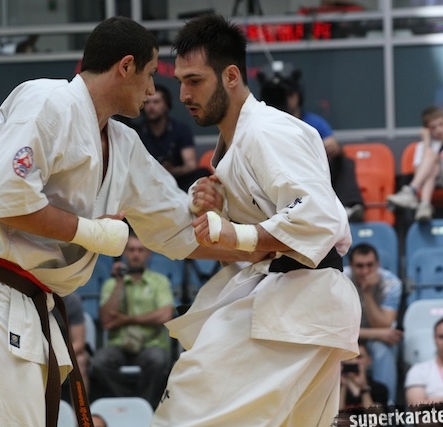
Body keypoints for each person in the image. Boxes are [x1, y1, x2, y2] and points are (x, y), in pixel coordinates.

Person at [0, 16, 255, 427]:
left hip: (30, 307)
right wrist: (92, 232)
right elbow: (4, 196)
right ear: (126, 66)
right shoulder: (47, 101)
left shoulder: (124, 145)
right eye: (151, 74)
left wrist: (254, 242)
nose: (153, 90)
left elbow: (179, 230)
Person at [151, 14, 361, 426]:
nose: (184, 94)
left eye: (195, 80)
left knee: (186, 408)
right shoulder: (235, 143)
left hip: (298, 301)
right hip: (298, 303)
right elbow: (257, 243)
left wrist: (235, 232)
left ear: (231, 76)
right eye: (180, 82)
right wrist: (218, 212)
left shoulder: (267, 132)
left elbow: (317, 218)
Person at [258, 62, 365, 223]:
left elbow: (331, 145)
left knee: (342, 160)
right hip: (279, 179)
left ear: (297, 95)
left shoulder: (314, 122)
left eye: (286, 93)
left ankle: (348, 207)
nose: (281, 98)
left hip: (312, 177)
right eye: (274, 94)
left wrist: (334, 148)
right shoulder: (261, 125)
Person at [91, 232, 174, 409]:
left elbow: (165, 315)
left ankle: (145, 406)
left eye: (140, 250)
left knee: (158, 360)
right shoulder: (112, 284)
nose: (136, 254)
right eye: (131, 250)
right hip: (119, 345)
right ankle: (128, 404)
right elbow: (106, 319)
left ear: (148, 253)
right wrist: (119, 283)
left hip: (151, 344)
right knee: (100, 362)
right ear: (124, 253)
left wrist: (125, 320)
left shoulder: (159, 282)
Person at [344, 243, 403, 404]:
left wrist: (367, 292)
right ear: (351, 266)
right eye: (359, 266)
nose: (365, 271)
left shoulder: (391, 283)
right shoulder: (340, 281)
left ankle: (386, 405)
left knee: (384, 349)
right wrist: (379, 333)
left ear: (378, 264)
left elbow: (384, 324)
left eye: (370, 265)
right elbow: (338, 329)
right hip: (348, 337)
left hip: (374, 338)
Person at [387, 106, 443, 222]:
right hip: (431, 178)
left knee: (434, 160)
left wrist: (439, 162)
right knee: (433, 169)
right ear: (427, 129)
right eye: (433, 127)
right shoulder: (421, 146)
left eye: (441, 124)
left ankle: (410, 191)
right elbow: (418, 172)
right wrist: (426, 141)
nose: (439, 130)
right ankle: (425, 206)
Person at [138, 84, 210, 191]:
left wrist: (172, 170)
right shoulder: (137, 132)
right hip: (148, 182)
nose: (151, 107)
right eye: (147, 102)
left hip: (176, 180)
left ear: (166, 105)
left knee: (202, 173)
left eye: (156, 102)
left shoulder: (180, 129)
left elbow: (191, 164)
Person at [56, 292, 92, 396]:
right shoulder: (35, 298)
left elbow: (79, 343)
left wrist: (58, 356)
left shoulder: (71, 301)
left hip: (68, 352)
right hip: (42, 351)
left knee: (80, 361)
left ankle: (79, 406)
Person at [339, 341, 388, 410]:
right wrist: (343, 386)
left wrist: (364, 387)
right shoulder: (333, 389)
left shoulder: (379, 389)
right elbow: (334, 415)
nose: (354, 361)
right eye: (349, 357)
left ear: (369, 360)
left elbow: (374, 416)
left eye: (359, 357)